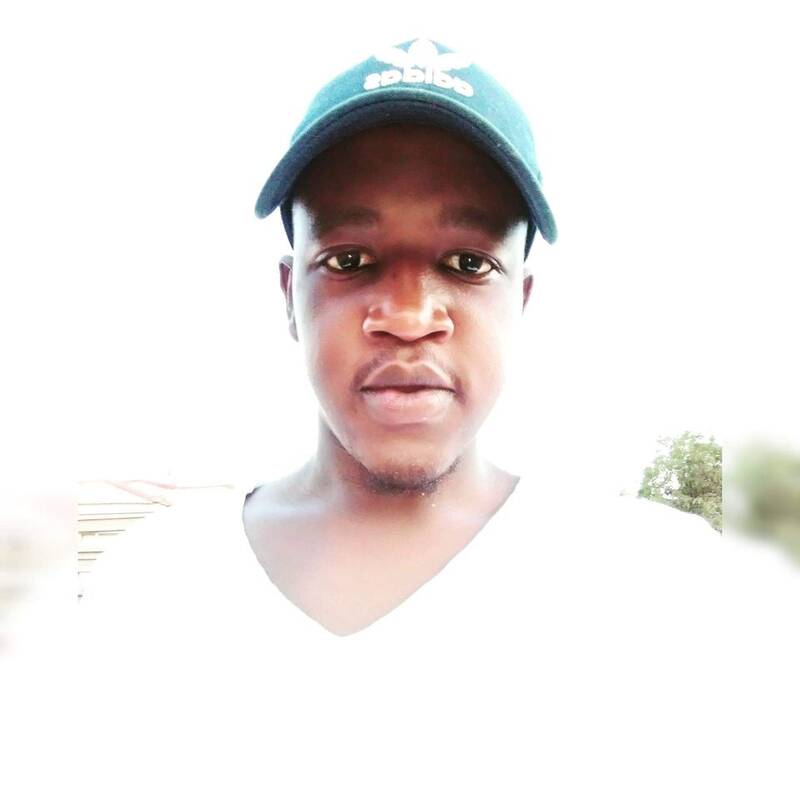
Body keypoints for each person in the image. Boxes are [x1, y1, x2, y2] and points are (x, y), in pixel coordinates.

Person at [73, 37, 799, 800]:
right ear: (289, 293)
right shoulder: (150, 588)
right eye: (350, 261)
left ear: (520, 299)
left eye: (468, 264)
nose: (410, 316)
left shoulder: (662, 588)